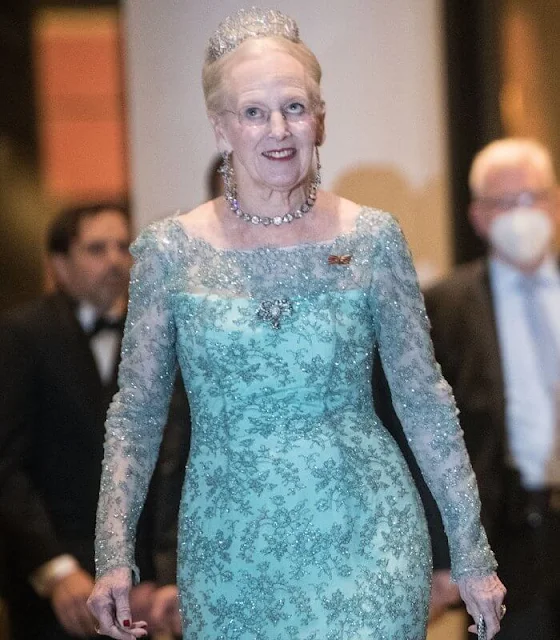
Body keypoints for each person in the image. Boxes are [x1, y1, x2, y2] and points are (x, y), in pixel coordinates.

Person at [87, 8, 505, 639]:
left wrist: (472, 554)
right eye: (254, 112)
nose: (277, 128)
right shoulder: (168, 250)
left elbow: (425, 400)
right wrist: (113, 553)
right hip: (230, 546)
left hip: (369, 537)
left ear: (321, 120)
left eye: (295, 107)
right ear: (221, 128)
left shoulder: (372, 238)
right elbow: (137, 413)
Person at [0, 203, 177, 639]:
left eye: (123, 247)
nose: (115, 260)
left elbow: (174, 457)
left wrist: (165, 573)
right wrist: (56, 570)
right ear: (59, 264)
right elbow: (6, 466)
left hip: (146, 588)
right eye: (96, 249)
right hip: (58, 590)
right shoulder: (21, 334)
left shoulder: (158, 331)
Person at [424, 137, 560, 639]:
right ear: (478, 217)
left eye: (532, 197)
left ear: (556, 202)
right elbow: (426, 433)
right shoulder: (444, 307)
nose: (521, 214)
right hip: (504, 533)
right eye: (504, 203)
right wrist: (443, 554)